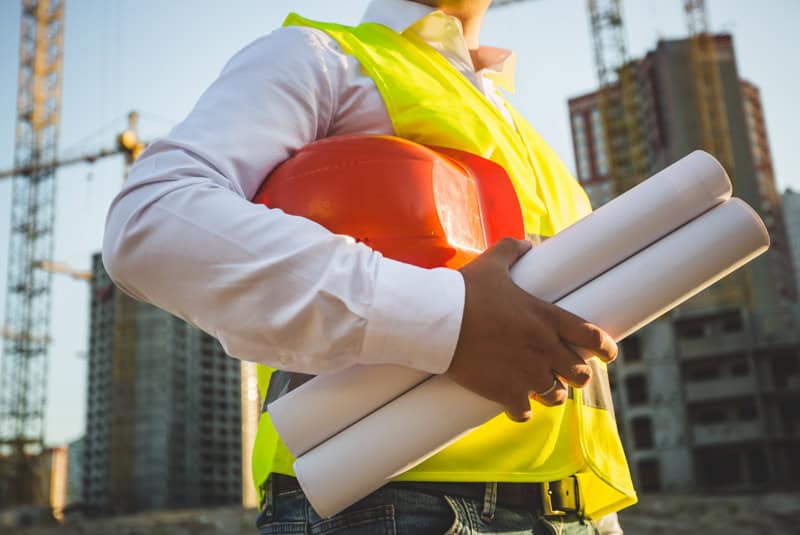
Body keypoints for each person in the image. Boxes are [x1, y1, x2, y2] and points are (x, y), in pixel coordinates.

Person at [102, 0, 633, 533]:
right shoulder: (322, 58)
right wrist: (446, 320)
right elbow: (149, 223)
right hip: (383, 506)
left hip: (573, 512)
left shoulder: (532, 144)